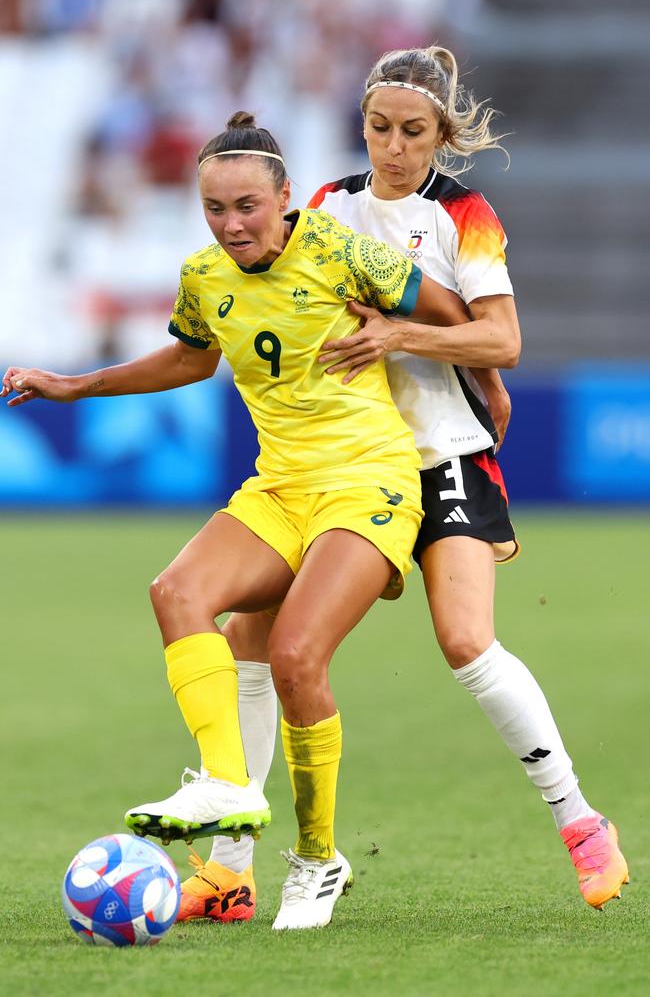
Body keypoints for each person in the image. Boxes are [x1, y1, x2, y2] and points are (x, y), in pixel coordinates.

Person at [2, 111, 509, 930]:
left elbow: (463, 320)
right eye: (215, 209)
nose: (232, 225)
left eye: (247, 206)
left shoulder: (344, 251)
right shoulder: (205, 277)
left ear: (284, 198)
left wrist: (420, 347)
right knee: (178, 593)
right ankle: (227, 802)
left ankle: (317, 860)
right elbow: (191, 357)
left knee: (296, 655)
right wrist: (76, 384)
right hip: (280, 487)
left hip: (370, 483)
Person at [184, 45, 629, 923]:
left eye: (413, 132)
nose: (393, 148)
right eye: (379, 128)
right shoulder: (325, 207)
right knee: (250, 638)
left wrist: (401, 337)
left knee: (465, 643)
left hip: (446, 453)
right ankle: (231, 867)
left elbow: (499, 341)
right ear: (362, 125)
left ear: (443, 133)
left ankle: (580, 821)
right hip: (342, 468)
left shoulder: (465, 215)